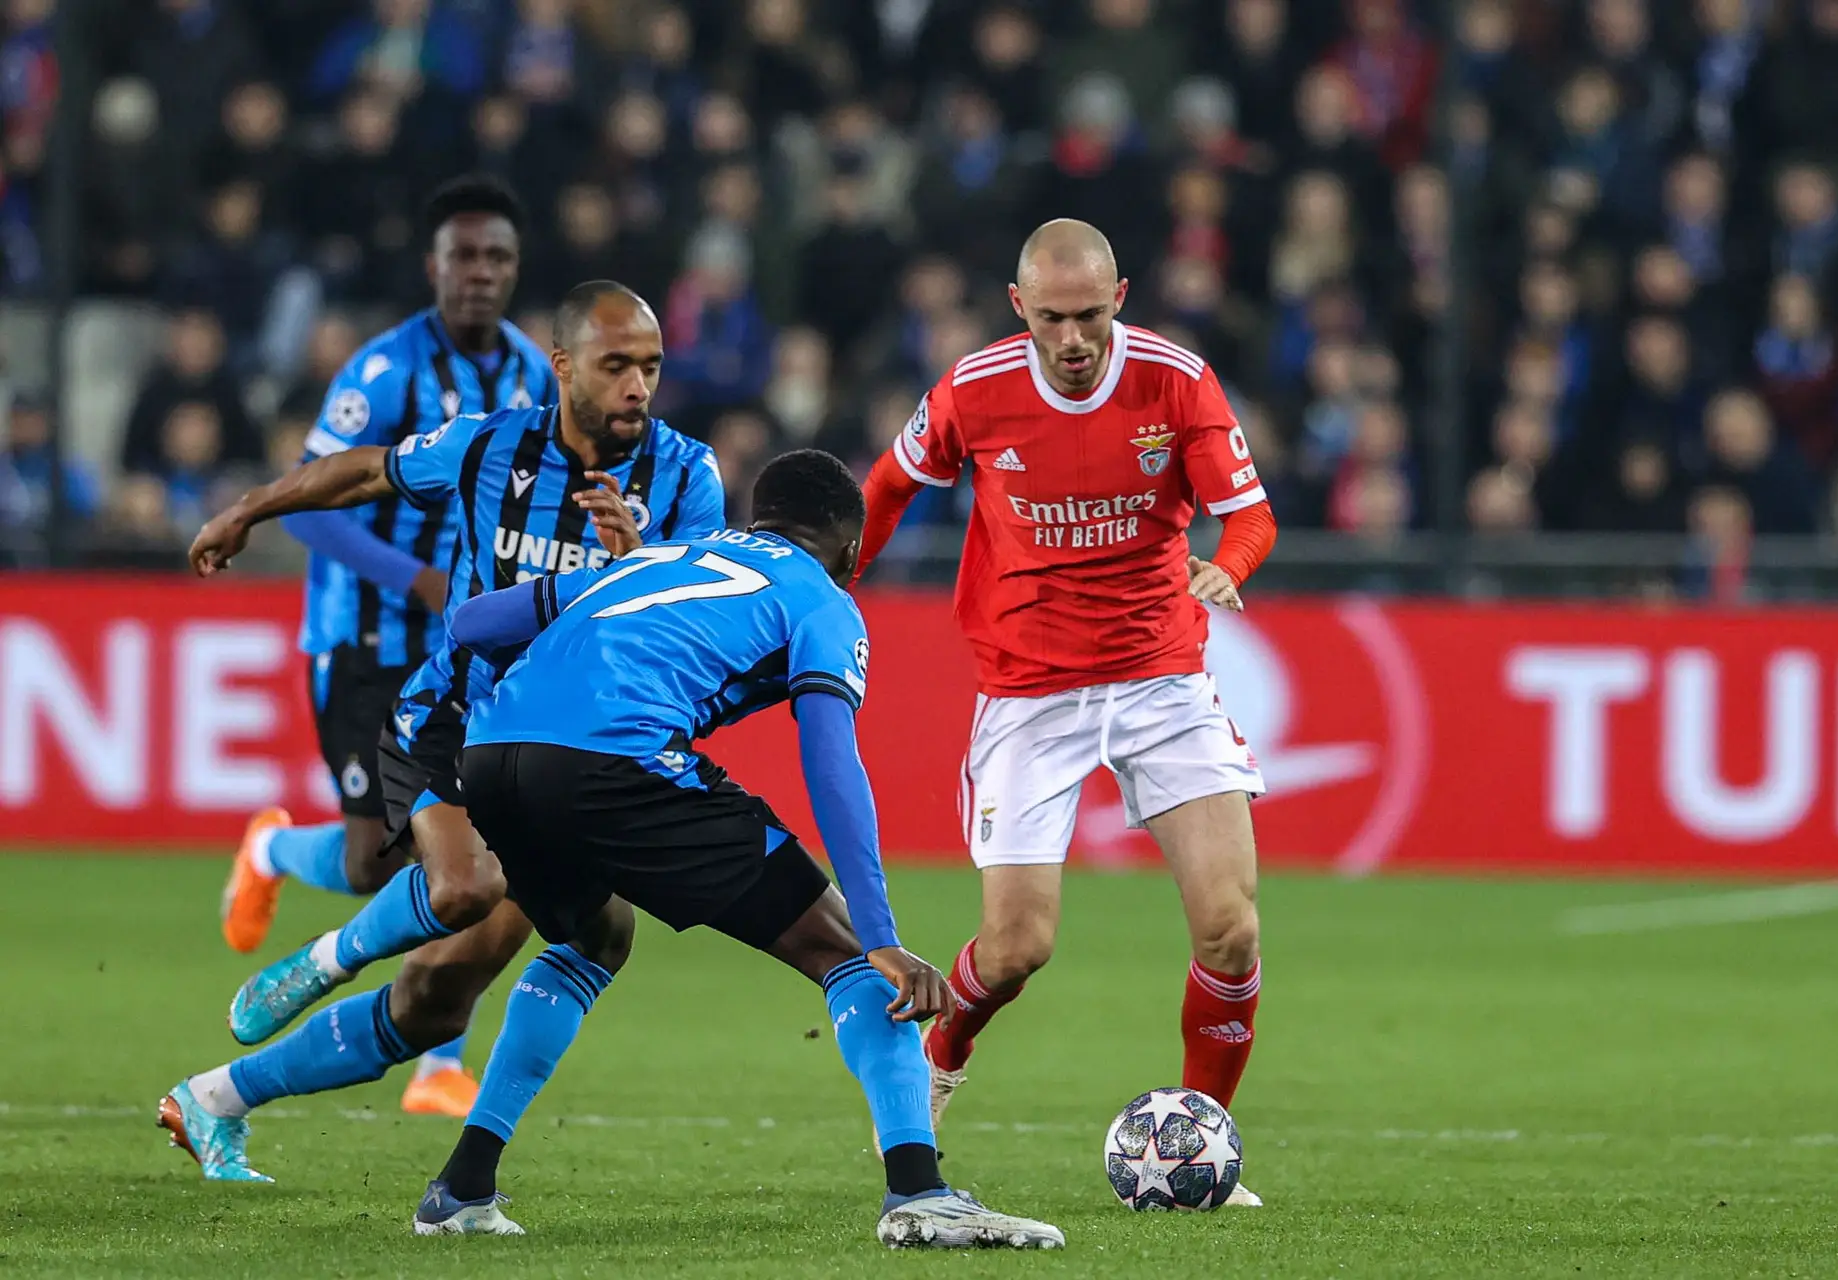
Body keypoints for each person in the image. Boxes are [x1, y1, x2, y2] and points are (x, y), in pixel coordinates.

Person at [408, 450, 1062, 1249]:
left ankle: (462, 1189)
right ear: (852, 550)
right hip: (614, 759)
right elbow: (831, 761)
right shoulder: (821, 600)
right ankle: (920, 1194)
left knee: (595, 938)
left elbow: (473, 622)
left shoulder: (662, 556)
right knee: (849, 953)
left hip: (494, 757)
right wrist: (883, 935)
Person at [158, 282, 724, 1181]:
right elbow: (366, 468)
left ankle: (215, 1099)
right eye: (617, 365)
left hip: (568, 755)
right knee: (464, 887)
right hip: (455, 720)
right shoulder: (493, 445)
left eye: (650, 367)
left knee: (439, 1002)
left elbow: (697, 628)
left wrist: (639, 564)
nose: (638, 387)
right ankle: (325, 961)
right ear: (566, 365)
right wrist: (252, 507)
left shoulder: (689, 477)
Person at [857, 219, 1277, 1207]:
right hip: (1029, 689)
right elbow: (885, 487)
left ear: (1120, 295)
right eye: (1053, 317)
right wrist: (830, 586)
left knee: (1230, 927)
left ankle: (1200, 1138)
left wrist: (1231, 564)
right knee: (1017, 948)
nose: (1075, 337)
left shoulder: (1176, 381)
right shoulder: (973, 389)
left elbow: (1250, 510)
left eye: (1091, 314)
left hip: (1160, 679)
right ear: (1019, 308)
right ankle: (948, 1039)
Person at [218, 173, 553, 1118]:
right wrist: (416, 577)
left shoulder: (534, 372)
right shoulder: (383, 372)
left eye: (496, 258)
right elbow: (314, 509)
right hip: (366, 643)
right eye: (463, 257)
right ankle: (279, 852)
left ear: (515, 269)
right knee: (380, 862)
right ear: (433, 267)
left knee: (465, 853)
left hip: (471, 653)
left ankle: (437, 1065)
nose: (479, 274)